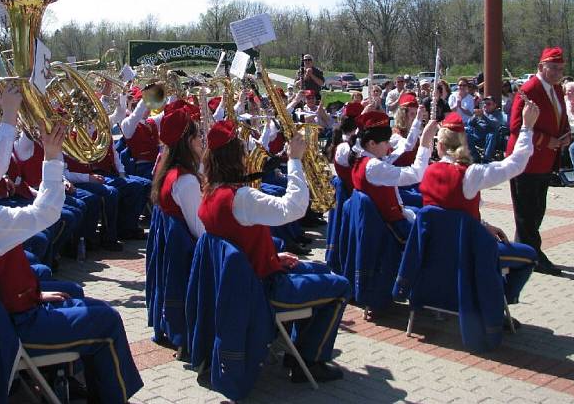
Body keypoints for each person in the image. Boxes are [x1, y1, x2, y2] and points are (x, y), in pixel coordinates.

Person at [0, 123, 143, 404]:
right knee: (108, 320)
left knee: (78, 295)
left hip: (8, 312)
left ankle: (73, 383)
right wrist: (52, 157)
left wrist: (35, 294)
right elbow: (47, 213)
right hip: (16, 327)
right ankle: (114, 398)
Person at [198, 120, 350, 384]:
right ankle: (309, 362)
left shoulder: (209, 192)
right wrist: (295, 160)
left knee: (319, 270)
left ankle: (298, 349)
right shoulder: (241, 198)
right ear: (235, 157)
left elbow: (236, 245)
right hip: (263, 288)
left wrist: (272, 256)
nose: (247, 156)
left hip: (245, 280)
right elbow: (294, 208)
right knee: (340, 286)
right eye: (243, 151)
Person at [420, 109, 539, 318]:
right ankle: (495, 301)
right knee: (529, 255)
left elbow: (449, 214)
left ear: (440, 145)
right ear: (464, 144)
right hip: (468, 250)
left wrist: (482, 224)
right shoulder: (470, 174)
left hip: (436, 250)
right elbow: (515, 164)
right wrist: (527, 128)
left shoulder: (427, 171)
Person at [507, 47, 570, 276]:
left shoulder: (557, 89)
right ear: (541, 66)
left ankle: (520, 252)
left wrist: (566, 133)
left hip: (545, 160)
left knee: (536, 210)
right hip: (527, 160)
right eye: (553, 68)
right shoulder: (529, 89)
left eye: (561, 69)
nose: (557, 72)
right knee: (527, 212)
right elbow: (515, 126)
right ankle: (534, 257)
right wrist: (547, 140)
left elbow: (560, 117)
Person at [351, 111, 438, 241]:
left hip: (386, 219)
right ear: (372, 144)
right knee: (438, 226)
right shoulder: (373, 166)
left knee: (426, 212)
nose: (389, 145)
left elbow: (405, 148)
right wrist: (424, 142)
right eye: (386, 142)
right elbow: (417, 174)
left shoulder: (365, 158)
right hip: (390, 228)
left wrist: (417, 122)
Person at [151, 103, 205, 238]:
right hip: (189, 254)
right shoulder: (186, 181)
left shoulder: (171, 171)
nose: (202, 141)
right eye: (199, 136)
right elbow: (201, 232)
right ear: (188, 141)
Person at [466, 96, 505, 163]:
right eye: (484, 103)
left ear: (494, 105)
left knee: (492, 135)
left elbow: (495, 124)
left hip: (488, 138)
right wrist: (474, 117)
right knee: (465, 134)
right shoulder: (480, 112)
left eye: (488, 104)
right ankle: (475, 157)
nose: (485, 105)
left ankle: (486, 159)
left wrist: (483, 116)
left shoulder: (497, 114)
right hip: (477, 136)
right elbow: (470, 124)